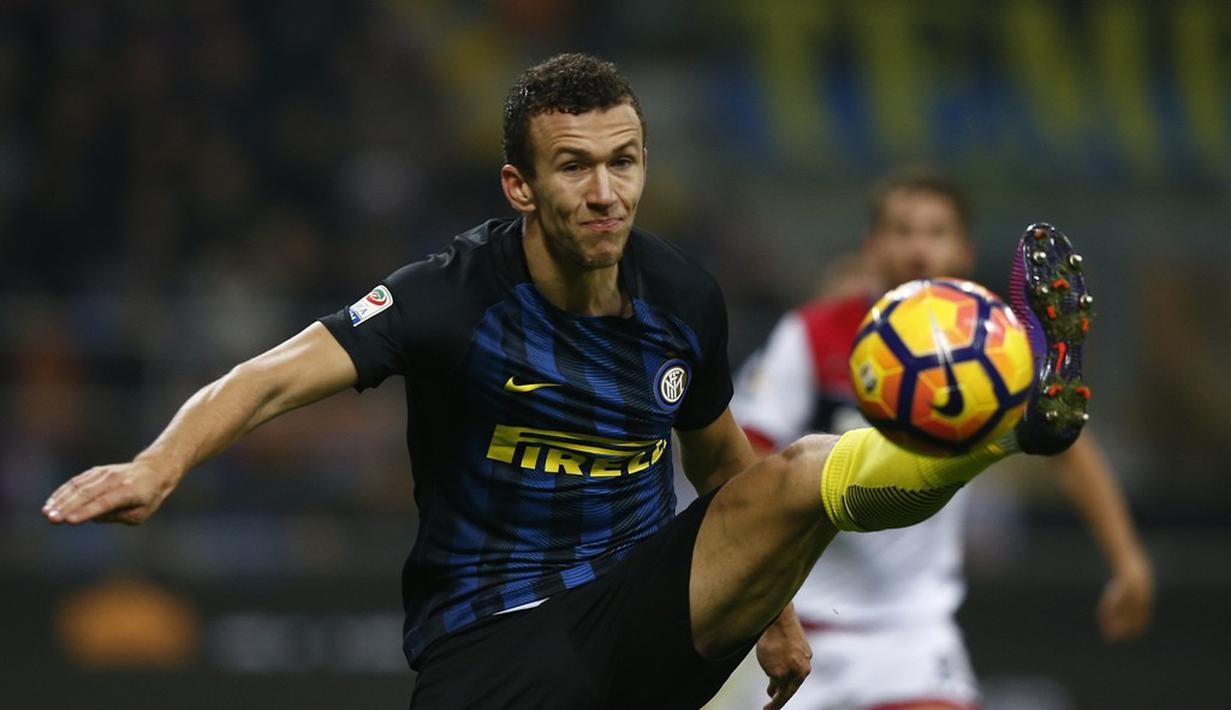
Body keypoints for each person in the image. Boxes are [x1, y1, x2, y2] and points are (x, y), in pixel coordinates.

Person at [43, 55, 1095, 709]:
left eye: (624, 160)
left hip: (643, 610)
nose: (605, 191)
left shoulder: (681, 291)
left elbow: (723, 459)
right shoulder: (452, 297)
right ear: (520, 183)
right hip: (492, 650)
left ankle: (1008, 424)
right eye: (574, 166)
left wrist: (772, 601)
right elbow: (269, 377)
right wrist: (158, 460)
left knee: (803, 467)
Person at [714, 169, 1154, 710]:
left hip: (913, 638)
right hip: (799, 632)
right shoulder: (810, 335)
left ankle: (1004, 431)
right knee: (815, 466)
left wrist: (1128, 560)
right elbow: (743, 467)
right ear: (872, 247)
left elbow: (1068, 446)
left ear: (964, 251)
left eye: (935, 232)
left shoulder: (993, 347)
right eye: (902, 231)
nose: (918, 249)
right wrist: (761, 606)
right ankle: (996, 437)